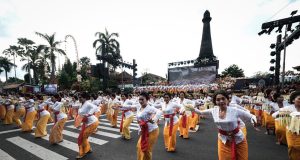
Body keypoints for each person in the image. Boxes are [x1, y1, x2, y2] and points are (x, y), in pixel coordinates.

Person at [191, 90, 257, 160]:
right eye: (218, 100)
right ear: (215, 102)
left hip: (238, 139)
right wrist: (191, 108)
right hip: (223, 140)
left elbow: (250, 116)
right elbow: (200, 112)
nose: (221, 101)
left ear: (227, 100)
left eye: (223, 98)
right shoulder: (214, 111)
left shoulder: (234, 110)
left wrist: (254, 121)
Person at [120, 92, 162, 160]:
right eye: (139, 99)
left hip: (152, 131)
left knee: (146, 149)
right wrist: (119, 107)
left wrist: (153, 119)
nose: (140, 101)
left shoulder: (149, 108)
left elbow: (159, 112)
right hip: (144, 131)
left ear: (147, 99)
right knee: (139, 147)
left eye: (142, 99)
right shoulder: (138, 106)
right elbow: (129, 107)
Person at [76, 92, 99, 159]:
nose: (79, 98)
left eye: (80, 97)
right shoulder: (81, 104)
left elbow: (94, 107)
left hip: (93, 122)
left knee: (82, 137)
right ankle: (87, 149)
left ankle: (82, 153)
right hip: (86, 123)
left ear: (85, 98)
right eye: (79, 97)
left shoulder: (88, 103)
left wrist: (89, 114)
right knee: (82, 137)